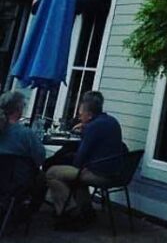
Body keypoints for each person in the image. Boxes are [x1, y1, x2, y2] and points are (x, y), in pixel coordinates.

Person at [46, 90, 124, 230]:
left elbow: (79, 160)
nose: (79, 116)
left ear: (89, 115)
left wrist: (86, 131)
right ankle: (86, 211)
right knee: (76, 175)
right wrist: (86, 127)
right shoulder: (111, 121)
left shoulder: (93, 127)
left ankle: (70, 212)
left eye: (81, 114)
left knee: (52, 172)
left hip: (101, 175)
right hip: (117, 173)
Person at [0, 90, 46, 219]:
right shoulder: (26, 134)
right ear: (18, 109)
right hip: (15, 184)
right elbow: (40, 158)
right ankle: (23, 214)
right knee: (42, 178)